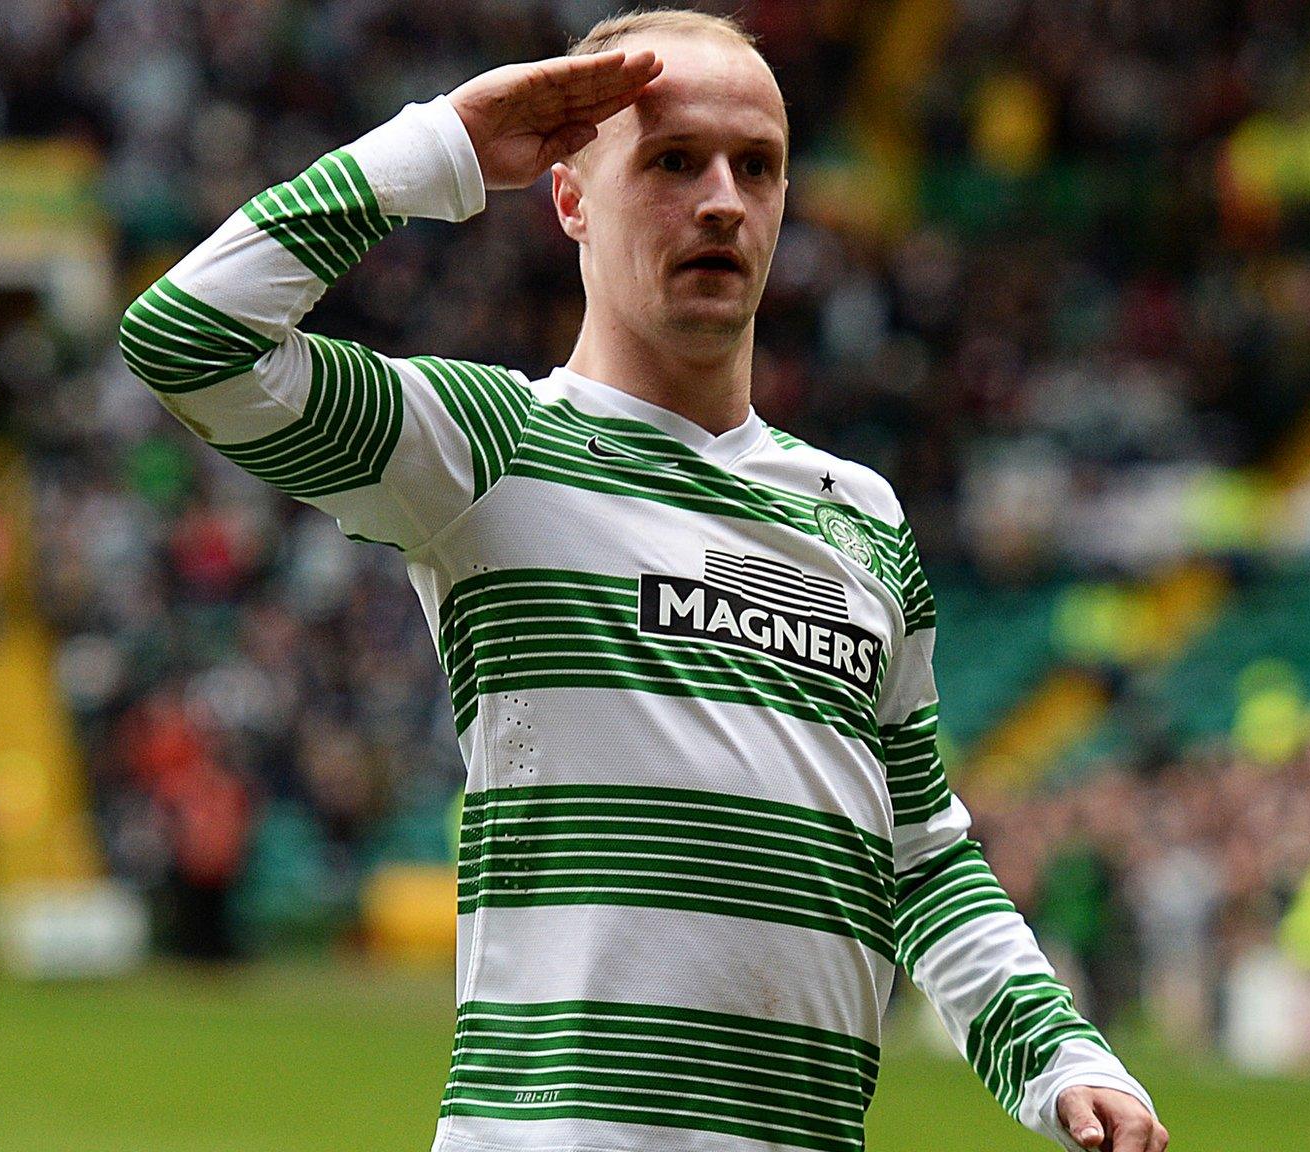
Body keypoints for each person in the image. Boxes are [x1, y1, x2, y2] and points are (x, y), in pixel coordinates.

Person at [119, 8, 1167, 1151]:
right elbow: (187, 340)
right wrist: (446, 144)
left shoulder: (860, 517)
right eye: (671, 162)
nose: (720, 198)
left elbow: (918, 849)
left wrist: (1061, 1058)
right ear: (569, 198)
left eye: (754, 167)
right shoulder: (490, 447)